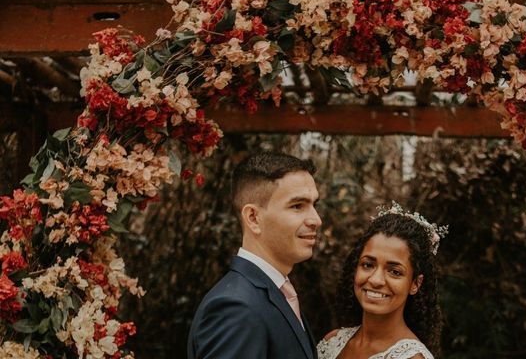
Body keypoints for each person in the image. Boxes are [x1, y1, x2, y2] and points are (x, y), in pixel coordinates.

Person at [187, 152, 322, 359]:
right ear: (253, 218)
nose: (316, 219)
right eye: (297, 206)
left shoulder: (276, 293)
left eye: (315, 205)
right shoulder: (236, 308)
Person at [317, 202, 446, 359]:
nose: (376, 280)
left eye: (394, 272)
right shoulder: (332, 341)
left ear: (415, 284)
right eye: (368, 265)